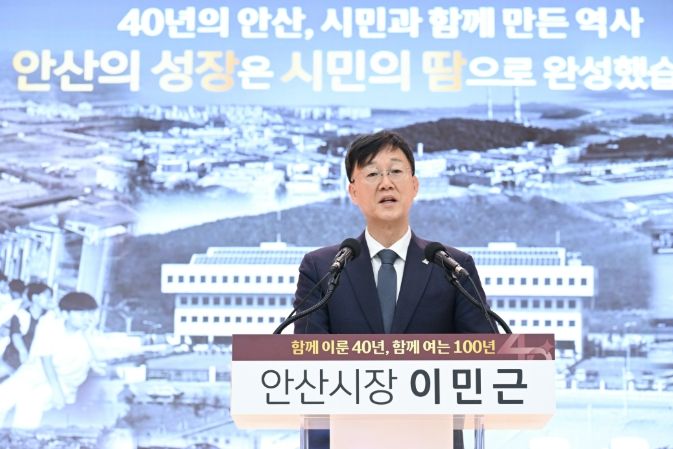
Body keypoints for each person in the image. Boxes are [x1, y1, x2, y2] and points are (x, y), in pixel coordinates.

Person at [293, 130, 496, 449]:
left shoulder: (453, 266)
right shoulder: (322, 268)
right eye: (372, 173)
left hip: (433, 439)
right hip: (345, 440)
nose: (386, 183)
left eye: (396, 171)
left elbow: (487, 357)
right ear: (353, 191)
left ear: (414, 185)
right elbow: (305, 360)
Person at [0, 291, 103, 429]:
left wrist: (58, 391)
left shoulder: (88, 336)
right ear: (65, 314)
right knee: (4, 395)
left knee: (31, 400)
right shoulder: (49, 326)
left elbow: (97, 357)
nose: (87, 319)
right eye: (82, 314)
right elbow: (46, 359)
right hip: (36, 371)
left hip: (63, 380)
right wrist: (57, 391)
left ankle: (21, 437)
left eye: (90, 314)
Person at [0, 282, 55, 378]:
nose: (49, 300)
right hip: (15, 358)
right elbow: (16, 335)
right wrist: (23, 351)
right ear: (35, 298)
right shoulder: (21, 315)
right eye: (47, 297)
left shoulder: (50, 317)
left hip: (35, 361)